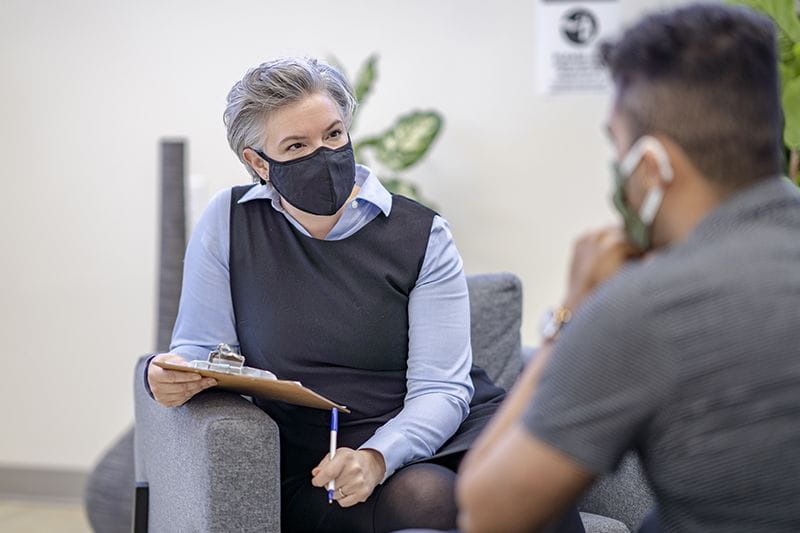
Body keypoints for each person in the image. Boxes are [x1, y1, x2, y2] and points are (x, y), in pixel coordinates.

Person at [141, 57, 582, 533]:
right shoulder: (230, 222)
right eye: (296, 145)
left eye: (333, 134)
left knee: (529, 487)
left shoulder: (422, 235)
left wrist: (377, 456)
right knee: (427, 497)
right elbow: (201, 350)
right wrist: (165, 375)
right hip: (323, 457)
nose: (324, 155)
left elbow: (442, 389)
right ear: (258, 162)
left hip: (440, 428)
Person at [457, 4, 800, 533]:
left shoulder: (647, 309)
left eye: (617, 148)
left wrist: (568, 317)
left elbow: (487, 512)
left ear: (652, 166)